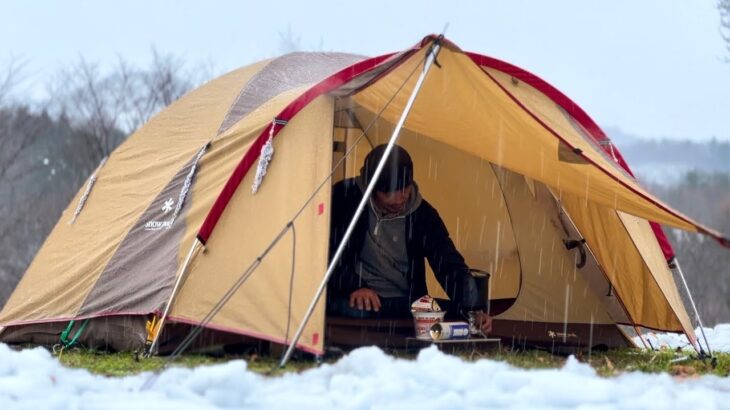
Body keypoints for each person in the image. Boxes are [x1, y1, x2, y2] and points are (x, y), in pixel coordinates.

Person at [327, 144, 492, 334]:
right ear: (371, 186)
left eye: (404, 188)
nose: (400, 198)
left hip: (407, 303)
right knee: (338, 306)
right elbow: (327, 251)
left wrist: (473, 309)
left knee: (455, 313)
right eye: (390, 192)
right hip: (361, 301)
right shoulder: (345, 197)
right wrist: (354, 287)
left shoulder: (423, 215)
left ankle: (400, 328)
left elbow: (448, 262)